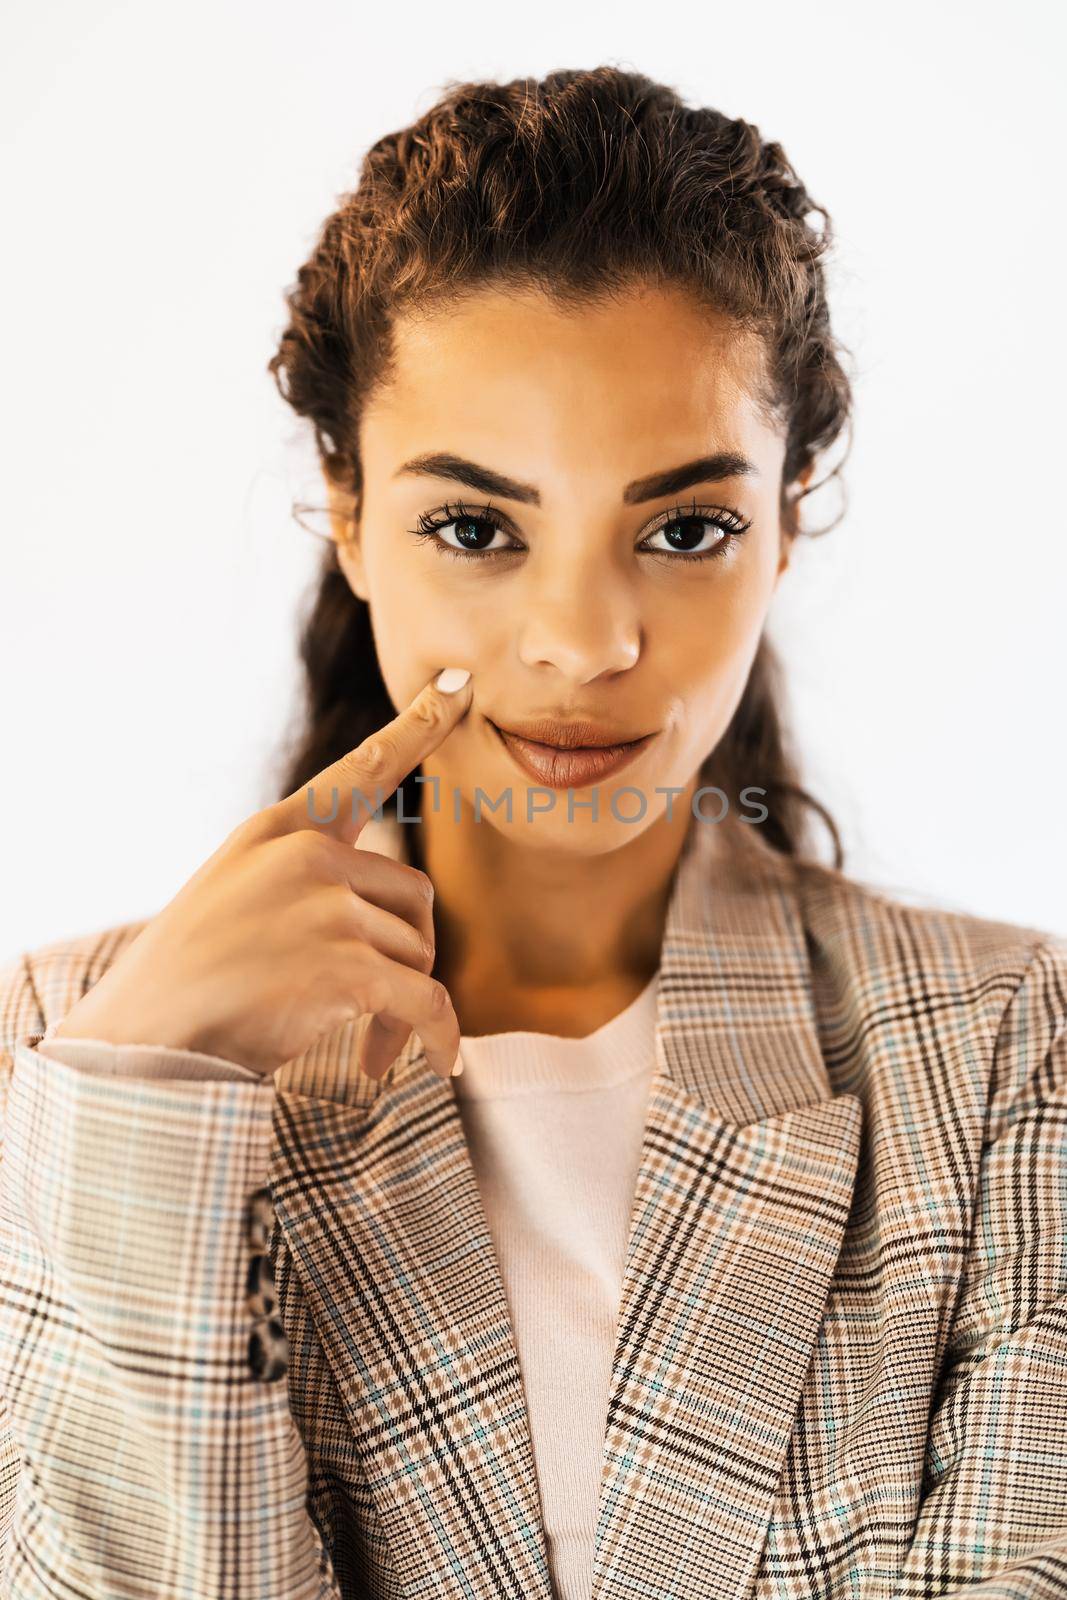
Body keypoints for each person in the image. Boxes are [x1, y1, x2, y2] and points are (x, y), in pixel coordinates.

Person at [0, 65, 1064, 1600]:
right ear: (349, 513)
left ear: (791, 510)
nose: (581, 643)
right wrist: (145, 1097)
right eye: (476, 529)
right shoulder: (67, 1057)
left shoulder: (1006, 1055)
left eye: (685, 529)